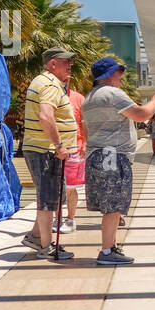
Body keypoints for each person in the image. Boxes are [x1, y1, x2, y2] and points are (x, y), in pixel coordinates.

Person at [83, 56, 155, 264]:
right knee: (113, 204)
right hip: (113, 155)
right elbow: (140, 114)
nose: (121, 76)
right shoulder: (112, 94)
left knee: (111, 205)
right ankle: (106, 251)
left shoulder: (89, 98)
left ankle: (111, 247)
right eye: (118, 72)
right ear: (110, 74)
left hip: (96, 155)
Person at [21, 47, 77, 260]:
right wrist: (59, 145)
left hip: (42, 149)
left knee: (51, 197)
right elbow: (46, 116)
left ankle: (36, 237)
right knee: (47, 200)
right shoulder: (50, 84)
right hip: (45, 150)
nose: (70, 64)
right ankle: (46, 246)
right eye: (66, 61)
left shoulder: (45, 82)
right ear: (53, 64)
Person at [59, 86, 87, 235]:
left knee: (70, 187)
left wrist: (85, 143)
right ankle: (57, 218)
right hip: (52, 148)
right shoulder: (49, 94)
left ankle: (70, 219)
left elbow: (84, 123)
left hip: (74, 147)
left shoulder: (78, 98)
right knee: (55, 187)